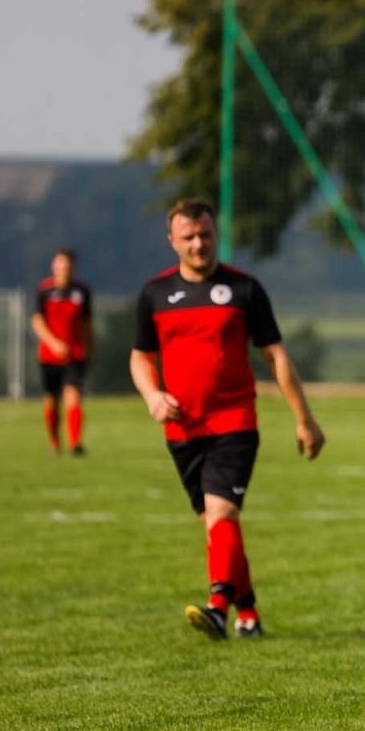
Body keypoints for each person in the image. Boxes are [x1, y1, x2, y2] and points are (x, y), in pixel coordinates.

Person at [129, 200, 326, 640]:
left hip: (234, 422)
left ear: (217, 234)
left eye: (206, 235)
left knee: (222, 513)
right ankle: (249, 614)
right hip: (181, 428)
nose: (199, 244)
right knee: (218, 529)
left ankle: (218, 606)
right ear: (173, 241)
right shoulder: (155, 294)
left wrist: (304, 419)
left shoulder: (244, 290)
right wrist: (152, 395)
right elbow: (141, 357)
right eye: (189, 237)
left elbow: (275, 355)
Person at [31, 248, 92, 456]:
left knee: (73, 396)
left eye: (67, 265)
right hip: (49, 355)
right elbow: (37, 321)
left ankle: (75, 444)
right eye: (59, 264)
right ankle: (55, 444)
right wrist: (53, 343)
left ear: (72, 267)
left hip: (74, 354)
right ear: (53, 266)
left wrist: (89, 349)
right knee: (51, 399)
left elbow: (86, 323)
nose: (63, 268)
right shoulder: (44, 290)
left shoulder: (81, 292)